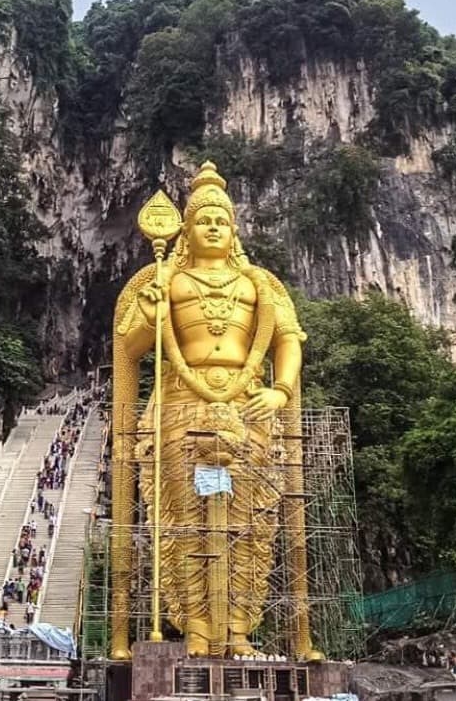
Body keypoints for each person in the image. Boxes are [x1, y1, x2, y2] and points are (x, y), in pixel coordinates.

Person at [111, 162, 311, 661]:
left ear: (235, 228)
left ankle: (239, 629)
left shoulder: (260, 284)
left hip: (248, 412)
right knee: (186, 524)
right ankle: (198, 630)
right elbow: (129, 348)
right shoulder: (165, 281)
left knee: (247, 522)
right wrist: (154, 310)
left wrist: (281, 390)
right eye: (203, 220)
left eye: (222, 219)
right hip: (181, 408)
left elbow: (288, 341)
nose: (214, 227)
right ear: (187, 229)